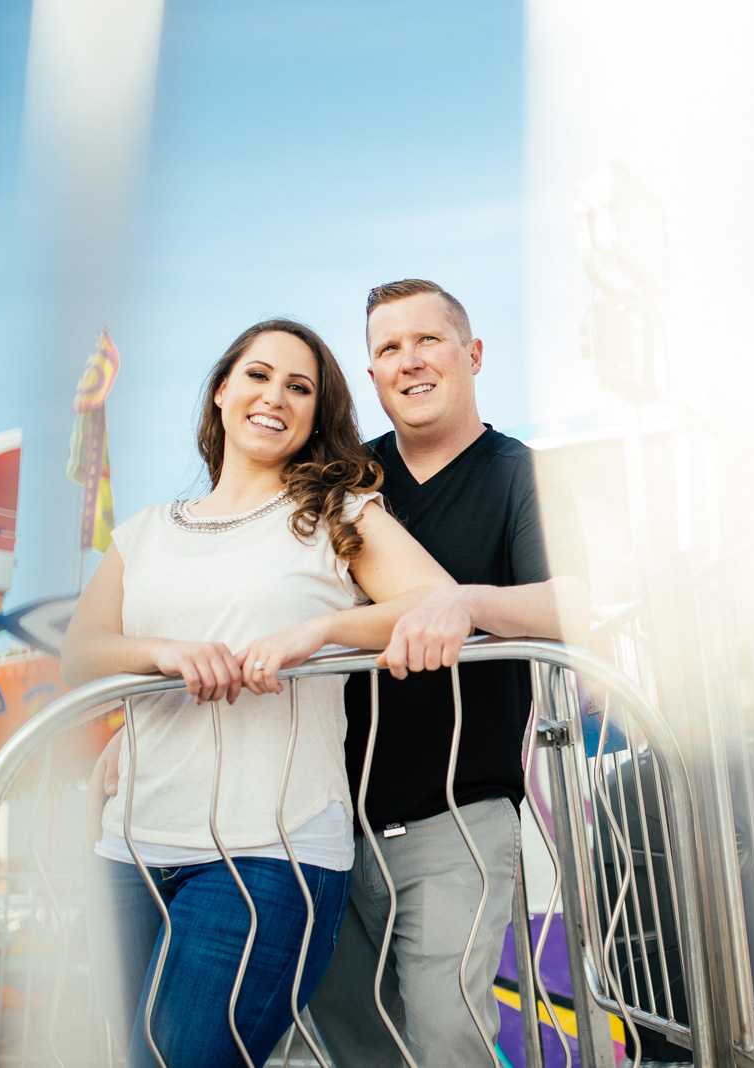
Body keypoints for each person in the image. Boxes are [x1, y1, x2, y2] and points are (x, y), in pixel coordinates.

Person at [63, 318, 454, 1068]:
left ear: (317, 415)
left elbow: (437, 603)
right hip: (129, 852)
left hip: (268, 855)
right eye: (258, 374)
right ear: (220, 392)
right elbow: (82, 652)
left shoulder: (337, 511)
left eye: (299, 387)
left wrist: (320, 632)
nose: (275, 395)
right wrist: (164, 654)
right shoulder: (144, 532)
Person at [309, 279, 589, 1067]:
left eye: (428, 340)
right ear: (371, 376)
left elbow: (573, 601)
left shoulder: (519, 474)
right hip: (327, 816)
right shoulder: (341, 482)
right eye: (388, 349)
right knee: (358, 1047)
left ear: (471, 354)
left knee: (444, 1035)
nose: (410, 361)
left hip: (456, 814)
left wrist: (462, 603)